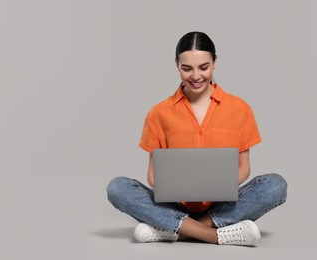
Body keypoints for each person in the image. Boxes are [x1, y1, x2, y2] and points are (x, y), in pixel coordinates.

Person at [106, 31, 287, 246]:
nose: (196, 76)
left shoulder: (240, 109)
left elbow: (244, 168)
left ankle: (174, 230)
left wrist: (215, 185)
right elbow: (153, 176)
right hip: (174, 204)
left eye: (204, 67)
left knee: (275, 186)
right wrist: (177, 187)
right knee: (117, 188)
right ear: (176, 64)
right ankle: (214, 235)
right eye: (186, 68)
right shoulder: (159, 113)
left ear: (215, 62)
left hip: (221, 204)